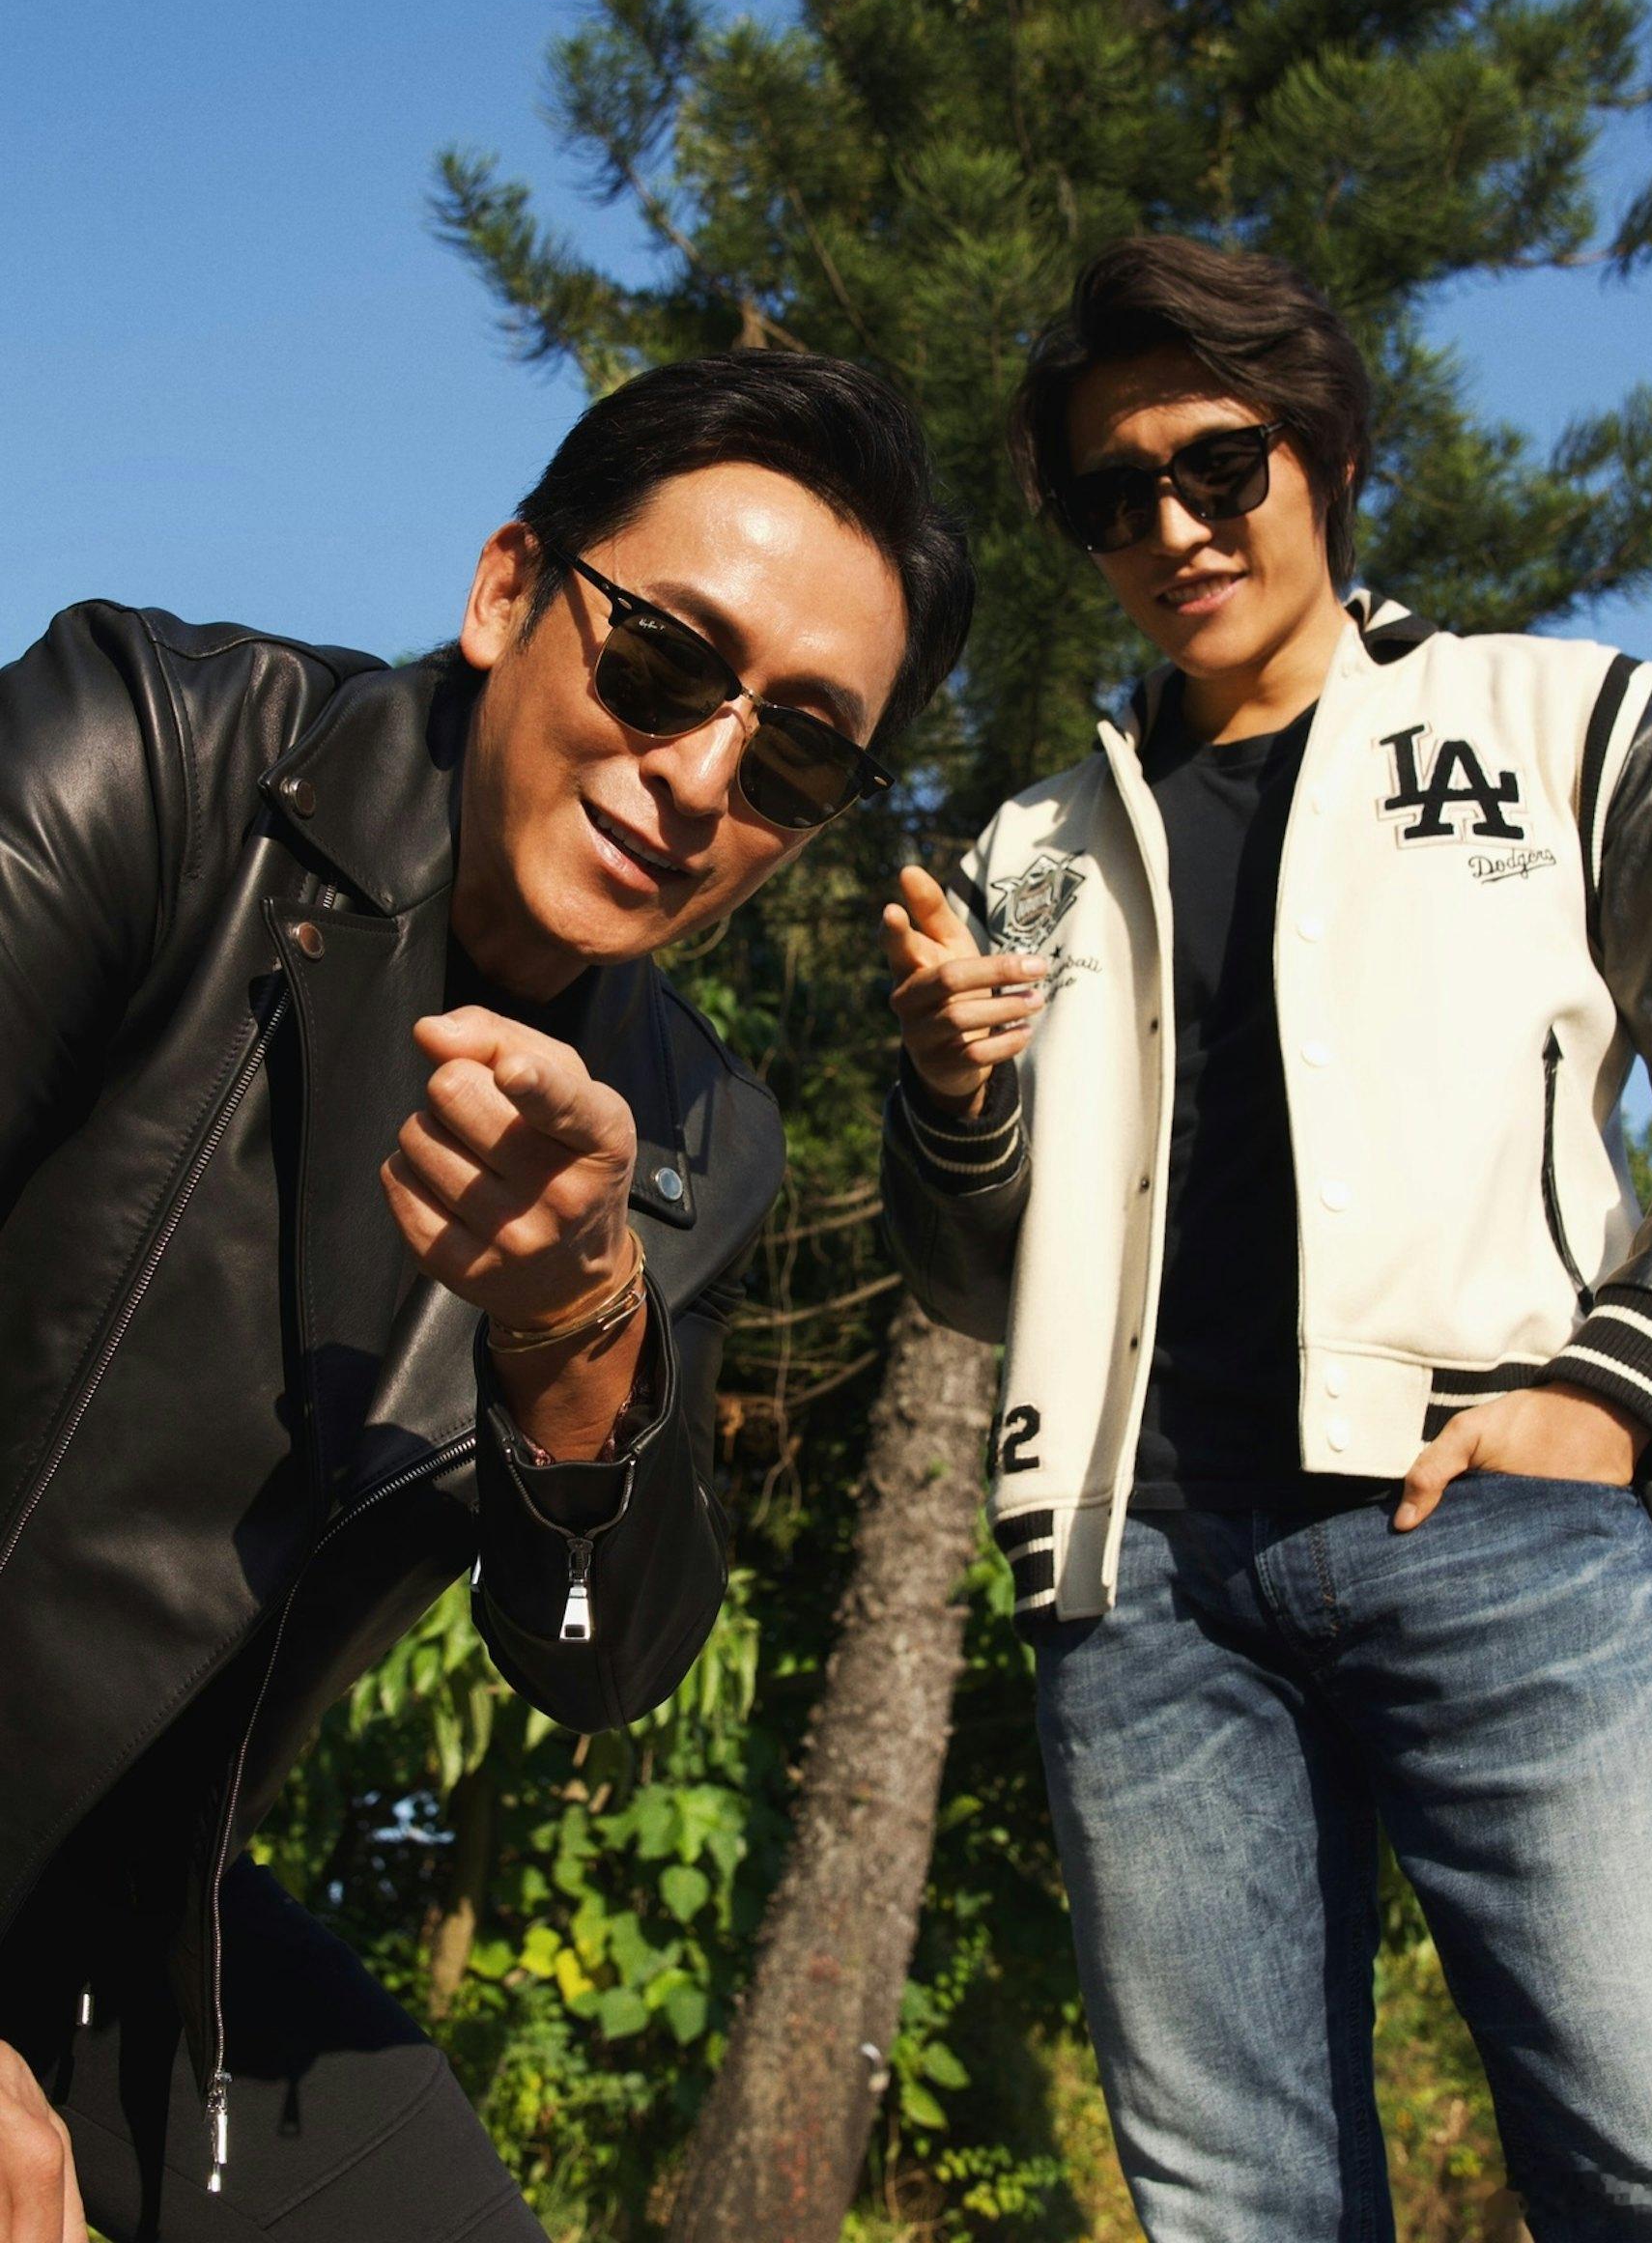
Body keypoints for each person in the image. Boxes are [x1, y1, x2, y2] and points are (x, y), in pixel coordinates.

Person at [880, 235, 1652, 2240]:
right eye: (1114, 495)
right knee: (1243, 2218)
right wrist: (956, 1097)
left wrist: (1621, 1386)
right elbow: (973, 1278)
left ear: (1323, 452)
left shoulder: (1571, 719)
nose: (1173, 526)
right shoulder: (1031, 853)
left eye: (1217, 464)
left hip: (1487, 1512)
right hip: (1141, 1593)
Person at [0, 351, 973, 2242]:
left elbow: (601, 1655)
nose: (699, 777)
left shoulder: (693, 1141)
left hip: (133, 1927)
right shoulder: (155, 758)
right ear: (507, 589)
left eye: (794, 755)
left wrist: (582, 1330)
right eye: (666, 660)